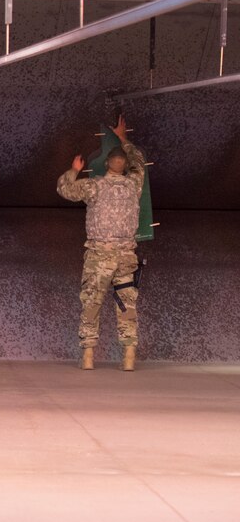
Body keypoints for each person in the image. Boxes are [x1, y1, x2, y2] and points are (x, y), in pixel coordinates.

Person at [56, 114, 146, 371]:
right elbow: (139, 163)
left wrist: (74, 170)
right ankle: (128, 355)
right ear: (124, 165)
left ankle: (88, 355)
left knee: (92, 303)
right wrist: (122, 139)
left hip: (99, 256)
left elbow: (64, 189)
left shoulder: (94, 186)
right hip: (126, 256)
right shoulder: (134, 184)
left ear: (107, 163)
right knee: (126, 304)